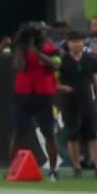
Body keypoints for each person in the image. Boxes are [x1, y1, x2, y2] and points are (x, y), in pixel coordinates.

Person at [10, 22, 61, 180]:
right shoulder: (21, 51)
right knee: (19, 133)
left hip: (43, 96)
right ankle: (13, 168)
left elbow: (56, 64)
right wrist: (21, 47)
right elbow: (19, 67)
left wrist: (37, 53)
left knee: (49, 133)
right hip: (24, 95)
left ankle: (53, 169)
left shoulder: (52, 50)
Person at [58, 31, 97, 178]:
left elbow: (96, 83)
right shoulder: (62, 61)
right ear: (68, 43)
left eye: (79, 41)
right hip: (70, 101)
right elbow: (54, 82)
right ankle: (77, 167)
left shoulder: (90, 59)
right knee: (72, 135)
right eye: (73, 41)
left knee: (93, 135)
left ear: (83, 42)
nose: (76, 44)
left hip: (86, 100)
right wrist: (63, 88)